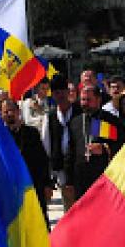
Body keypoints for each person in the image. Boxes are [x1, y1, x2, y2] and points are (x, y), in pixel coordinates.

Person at [64, 85, 123, 201]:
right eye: (83, 99)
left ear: (98, 99)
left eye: (88, 100)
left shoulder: (111, 121)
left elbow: (121, 146)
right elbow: (70, 152)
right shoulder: (75, 122)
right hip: (80, 180)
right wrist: (69, 181)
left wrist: (104, 148)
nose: (85, 103)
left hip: (103, 179)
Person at [0, 99, 52, 224]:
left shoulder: (32, 133)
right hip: (12, 191)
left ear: (18, 111)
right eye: (5, 111)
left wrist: (47, 184)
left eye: (11, 110)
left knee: (40, 224)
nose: (9, 114)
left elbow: (42, 160)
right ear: (1, 114)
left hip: (34, 187)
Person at [41, 76, 77, 211]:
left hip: (79, 170)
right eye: (56, 92)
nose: (60, 95)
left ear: (68, 92)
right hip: (62, 172)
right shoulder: (49, 117)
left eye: (62, 91)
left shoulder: (80, 112)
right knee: (70, 211)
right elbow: (46, 148)